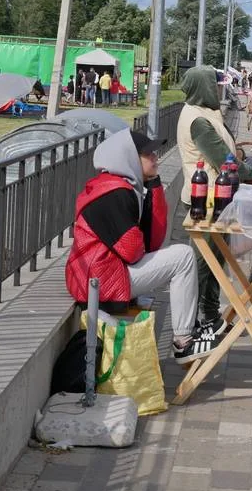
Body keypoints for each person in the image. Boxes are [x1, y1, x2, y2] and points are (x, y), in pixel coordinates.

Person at [64, 129, 218, 363]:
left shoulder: (118, 185)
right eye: (148, 154)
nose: (155, 157)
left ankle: (186, 334)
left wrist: (154, 186)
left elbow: (152, 242)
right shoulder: (115, 194)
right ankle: (184, 342)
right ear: (129, 158)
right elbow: (133, 252)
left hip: (100, 274)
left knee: (180, 256)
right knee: (184, 256)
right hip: (99, 282)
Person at [177, 65, 252, 335]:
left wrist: (244, 161)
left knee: (215, 260)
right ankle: (196, 322)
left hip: (216, 198)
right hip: (204, 199)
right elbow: (222, 159)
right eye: (215, 85)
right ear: (204, 87)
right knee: (205, 262)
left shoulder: (205, 112)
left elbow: (226, 150)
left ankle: (210, 314)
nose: (220, 89)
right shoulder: (197, 120)